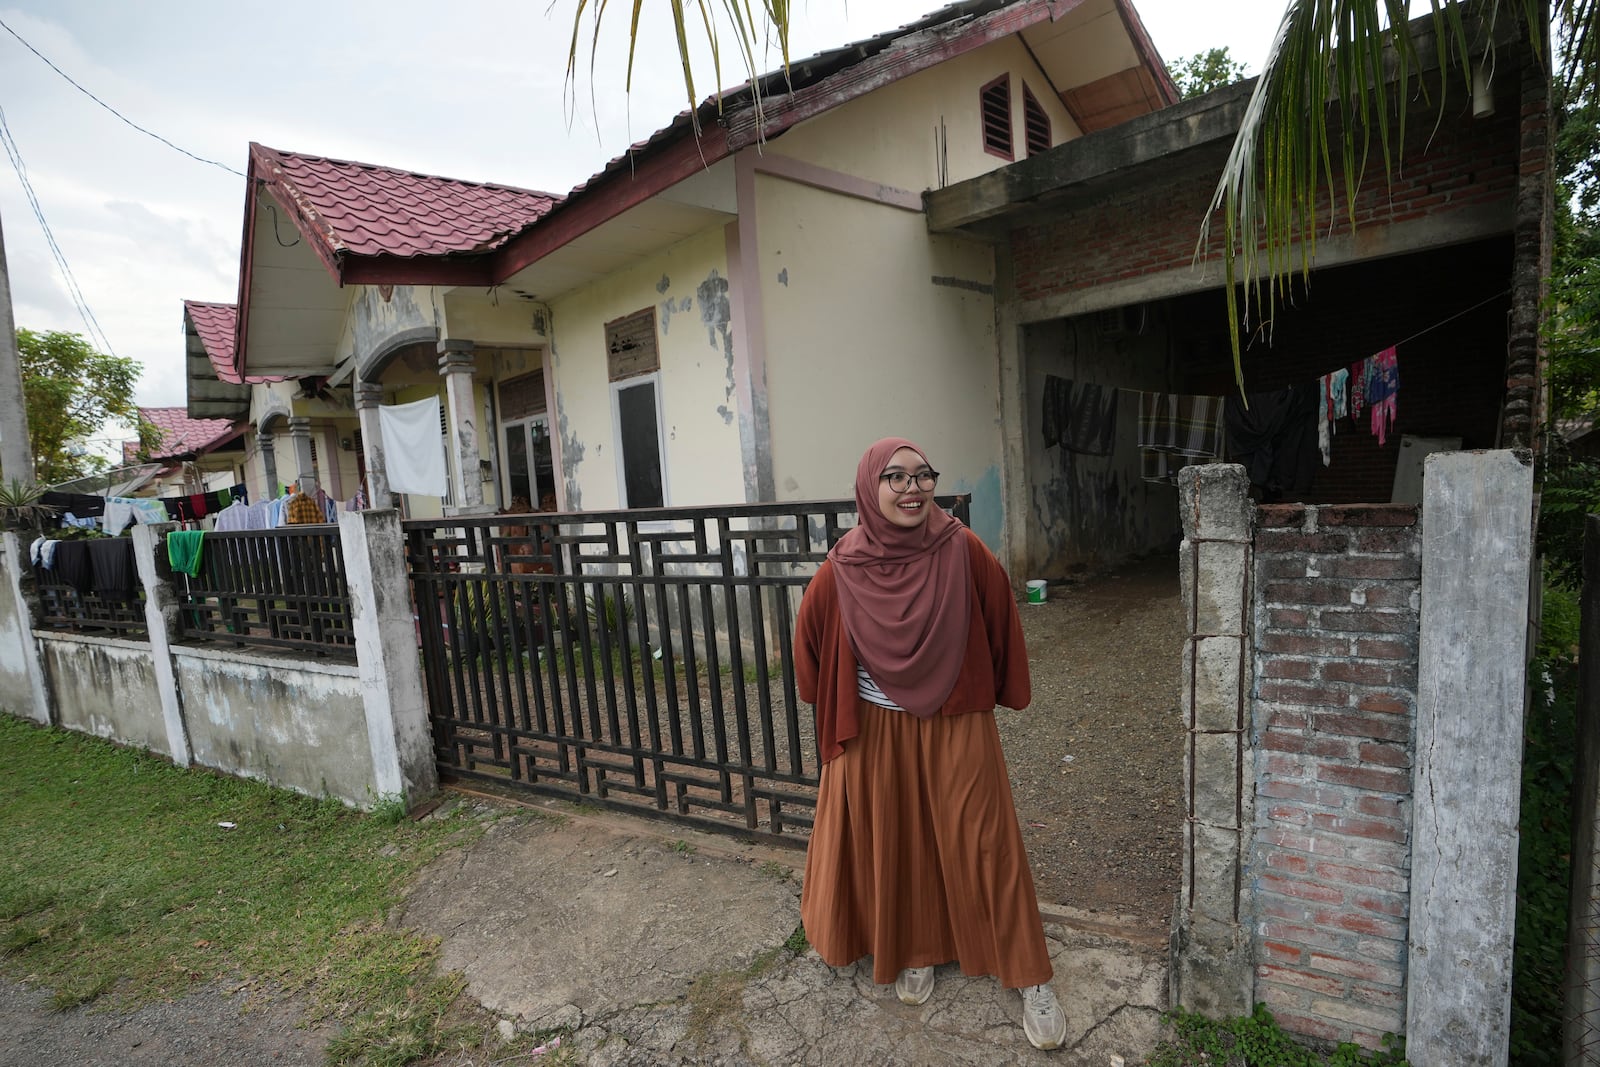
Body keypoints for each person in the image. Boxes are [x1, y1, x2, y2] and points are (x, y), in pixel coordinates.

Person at [795, 436, 1068, 1051]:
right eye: (896, 477)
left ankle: (1031, 976)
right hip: (875, 730)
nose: (913, 488)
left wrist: (986, 684)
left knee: (986, 838)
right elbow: (809, 637)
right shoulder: (844, 564)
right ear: (870, 486)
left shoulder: (960, 548)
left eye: (923, 476)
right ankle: (915, 948)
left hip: (956, 719)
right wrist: (836, 690)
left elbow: (1001, 616)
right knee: (899, 838)